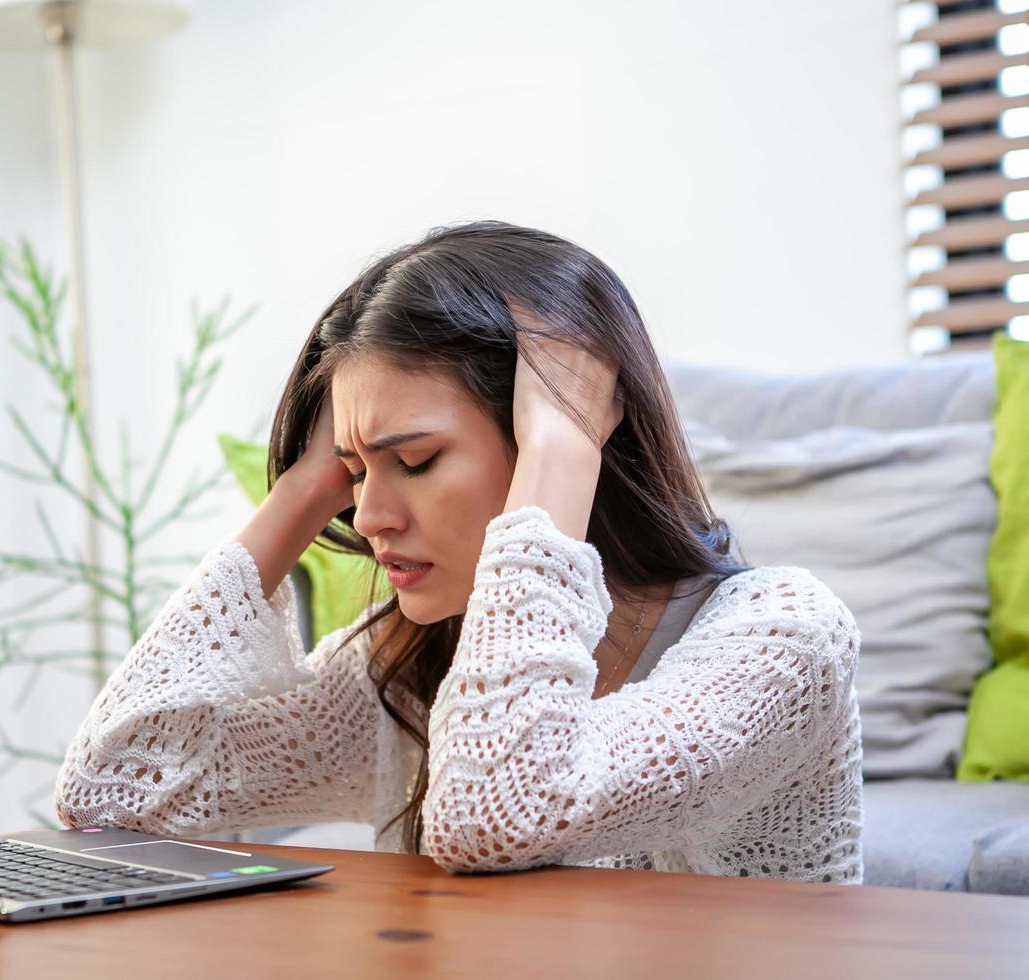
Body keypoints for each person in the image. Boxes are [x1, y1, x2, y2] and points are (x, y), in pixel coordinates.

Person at [52, 220, 864, 882]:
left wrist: (561, 450)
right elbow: (113, 794)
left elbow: (502, 810)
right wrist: (302, 489)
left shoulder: (784, 642)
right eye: (356, 469)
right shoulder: (402, 663)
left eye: (415, 462)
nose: (369, 516)